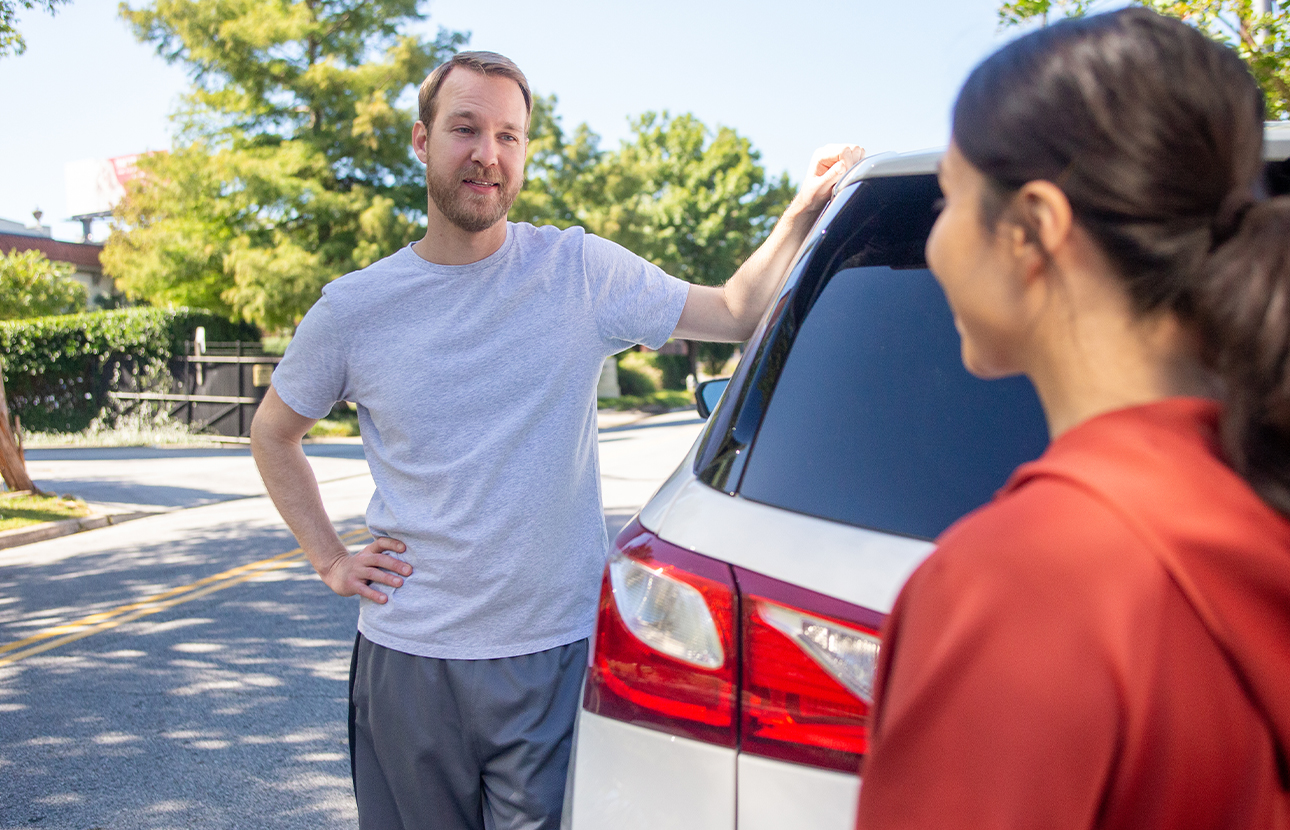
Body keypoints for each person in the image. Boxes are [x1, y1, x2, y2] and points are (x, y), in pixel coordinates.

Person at [249, 50, 860, 830]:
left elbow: (737, 311)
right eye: (465, 128)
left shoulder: (578, 271)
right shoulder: (354, 309)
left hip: (554, 653)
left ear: (525, 151)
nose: (488, 154)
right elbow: (275, 433)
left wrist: (803, 210)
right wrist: (330, 559)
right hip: (409, 655)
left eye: (510, 135)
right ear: (421, 140)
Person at [854, 8, 1290, 830]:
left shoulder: (1020, 584)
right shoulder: (1258, 501)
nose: (939, 241)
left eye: (949, 198)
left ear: (1034, 229)